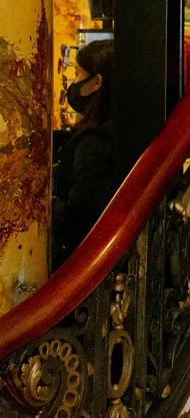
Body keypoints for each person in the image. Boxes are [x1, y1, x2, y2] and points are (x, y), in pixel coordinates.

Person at [53, 40, 121, 257]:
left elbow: (79, 209)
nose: (73, 83)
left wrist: (43, 209)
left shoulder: (97, 140)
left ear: (96, 83)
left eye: (79, 75)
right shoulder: (115, 128)